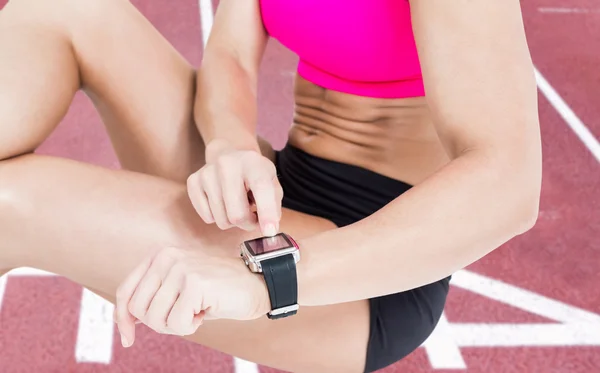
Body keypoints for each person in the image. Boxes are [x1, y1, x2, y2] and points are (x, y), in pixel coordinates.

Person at [0, 0, 542, 372]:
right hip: (278, 192)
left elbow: (510, 185)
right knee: (65, 8)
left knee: (9, 207)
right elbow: (231, 55)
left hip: (368, 270)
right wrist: (230, 145)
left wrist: (270, 278)